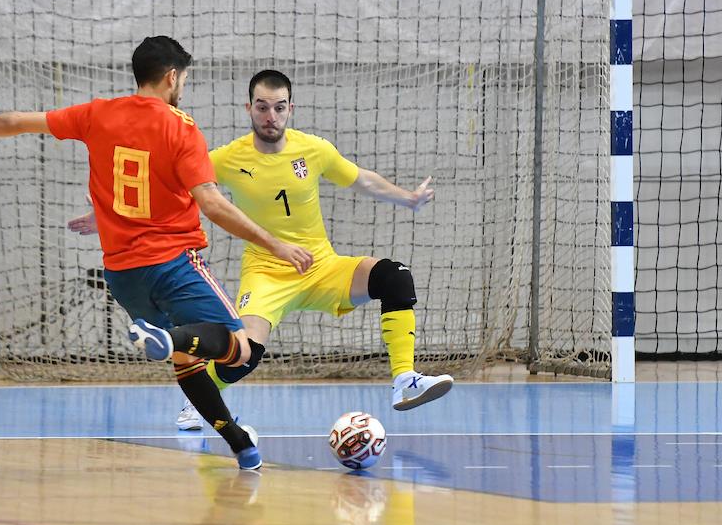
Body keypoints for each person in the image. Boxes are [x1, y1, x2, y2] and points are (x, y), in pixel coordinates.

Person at [0, 38, 313, 469]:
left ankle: (242, 445)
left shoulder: (97, 114)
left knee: (188, 363)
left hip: (123, 274)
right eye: (183, 78)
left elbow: (17, 120)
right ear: (172, 77)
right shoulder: (181, 127)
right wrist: (276, 244)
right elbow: (213, 205)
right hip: (173, 263)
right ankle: (169, 339)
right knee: (239, 350)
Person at [70, 69, 453, 431]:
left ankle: (405, 380)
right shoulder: (228, 157)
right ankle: (198, 402)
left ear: (291, 109)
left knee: (394, 276)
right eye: (262, 106)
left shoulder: (314, 150)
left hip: (321, 266)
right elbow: (166, 184)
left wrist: (408, 199)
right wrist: (105, 214)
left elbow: (361, 179)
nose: (271, 115)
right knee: (245, 354)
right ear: (248, 108)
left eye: (279, 107)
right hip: (267, 273)